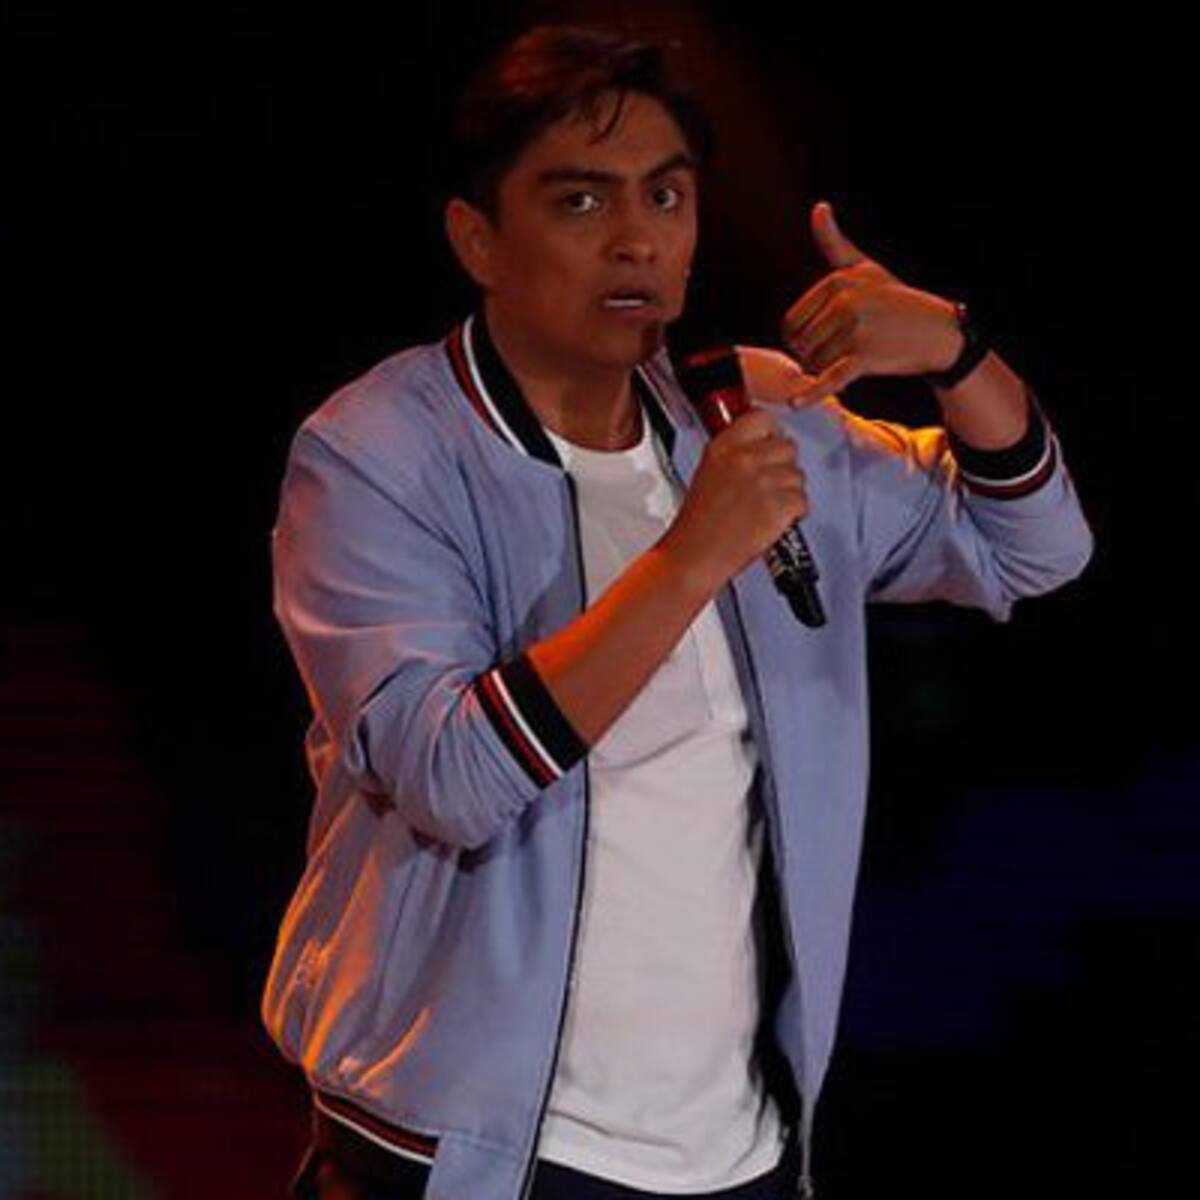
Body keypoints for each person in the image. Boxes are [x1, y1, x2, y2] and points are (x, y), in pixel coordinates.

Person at [261, 23, 1093, 1200]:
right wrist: (689, 556)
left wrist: (960, 353)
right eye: (581, 201)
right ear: (477, 239)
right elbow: (450, 775)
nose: (637, 239)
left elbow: (1036, 549)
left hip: (738, 1154)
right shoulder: (378, 454)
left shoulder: (749, 416)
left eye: (666, 196)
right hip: (468, 1156)